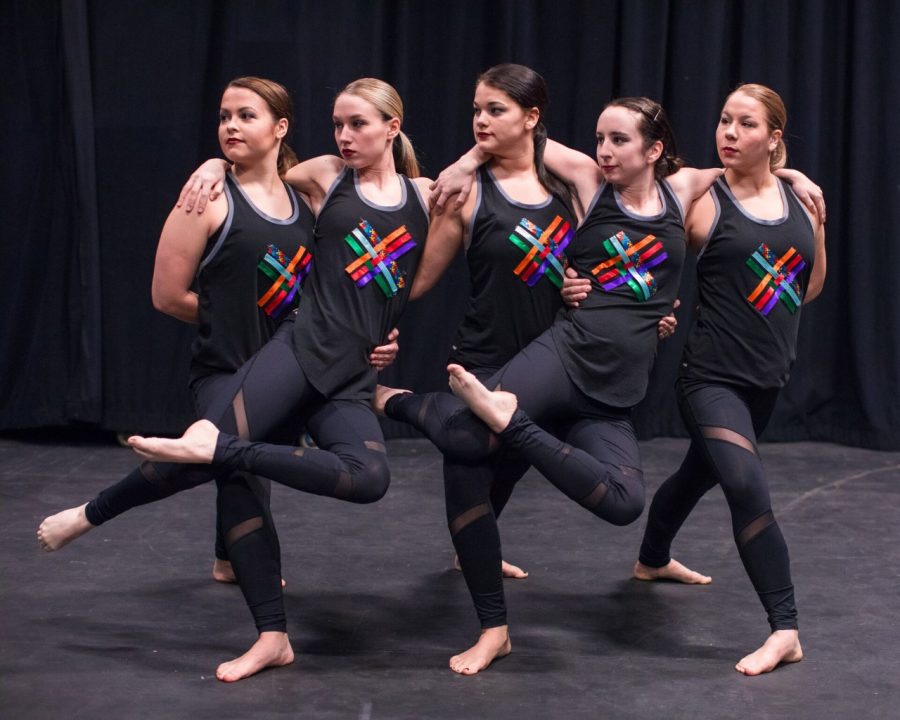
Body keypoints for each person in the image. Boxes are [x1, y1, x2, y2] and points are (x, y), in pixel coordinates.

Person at [38, 77, 430, 683]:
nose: (230, 126)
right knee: (234, 472)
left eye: (246, 115)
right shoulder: (207, 197)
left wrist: (371, 334)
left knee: (253, 459)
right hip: (232, 365)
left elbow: (359, 280)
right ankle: (269, 632)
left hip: (311, 366)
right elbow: (167, 297)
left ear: (279, 129)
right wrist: (213, 172)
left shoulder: (312, 198)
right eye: (223, 117)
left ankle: (227, 549)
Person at [376, 96, 729, 675]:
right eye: (600, 138)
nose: (605, 151)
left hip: (614, 390)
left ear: (655, 149)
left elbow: (743, 168)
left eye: (620, 140)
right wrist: (466, 162)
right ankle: (494, 626)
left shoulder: (684, 189)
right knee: (469, 445)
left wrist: (791, 171)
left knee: (623, 503)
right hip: (564, 354)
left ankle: (500, 421)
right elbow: (520, 137)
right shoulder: (591, 184)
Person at [631, 83, 826, 676]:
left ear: (774, 138)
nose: (729, 132)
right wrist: (650, 305)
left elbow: (809, 286)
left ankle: (651, 558)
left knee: (700, 471)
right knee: (744, 485)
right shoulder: (703, 200)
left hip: (766, 378)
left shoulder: (804, 201)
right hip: (707, 377)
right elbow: (643, 258)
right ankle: (784, 627)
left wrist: (801, 191)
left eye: (745, 124)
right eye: (723, 121)